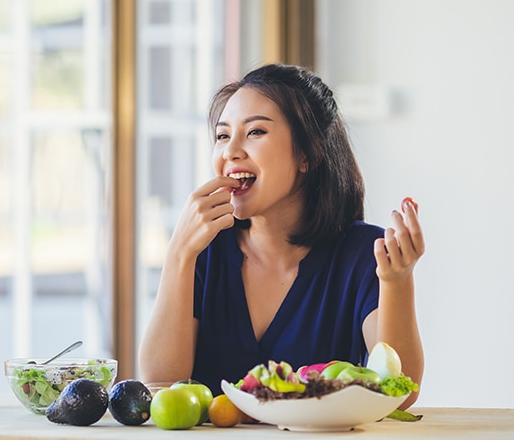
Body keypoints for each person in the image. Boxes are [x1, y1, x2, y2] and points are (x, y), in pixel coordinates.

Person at [138, 63, 424, 410]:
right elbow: (159, 385)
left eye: (255, 132)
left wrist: (397, 281)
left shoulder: (363, 254)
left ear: (307, 153)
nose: (230, 152)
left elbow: (400, 395)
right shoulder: (204, 250)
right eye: (223, 135)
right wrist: (178, 255)